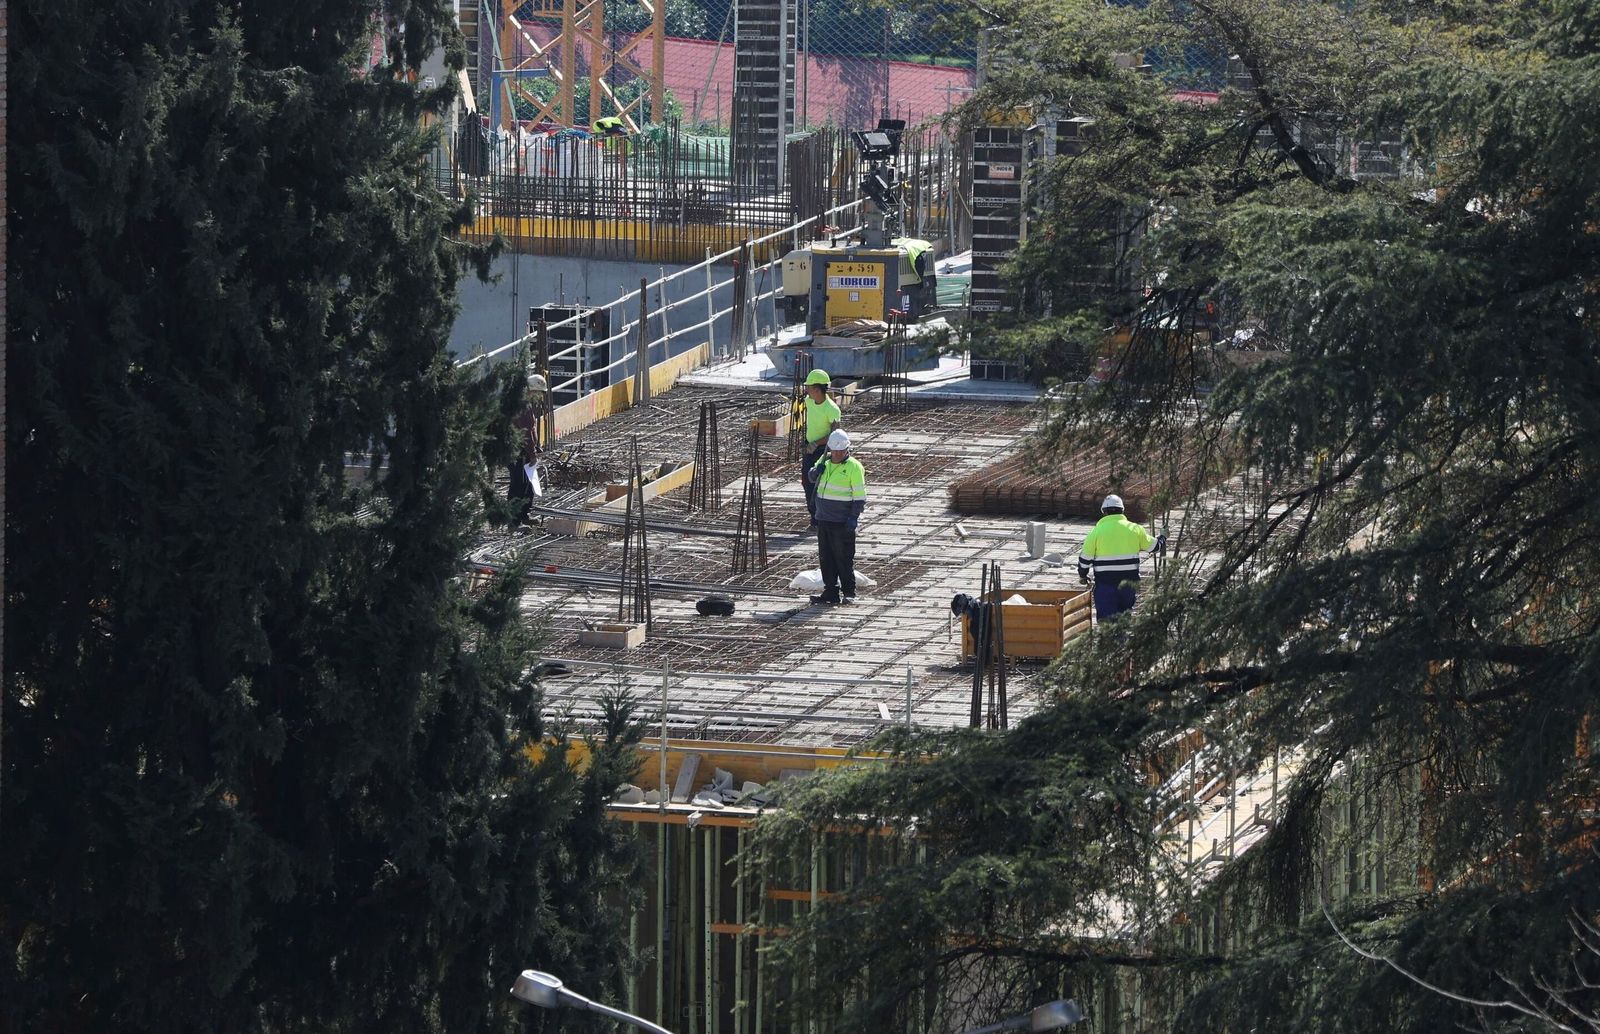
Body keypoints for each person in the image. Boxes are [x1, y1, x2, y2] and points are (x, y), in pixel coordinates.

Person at [1077, 494, 1164, 621]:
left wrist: (1083, 575)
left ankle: (1110, 641)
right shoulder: (1135, 529)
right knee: (1124, 620)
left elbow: (1084, 561)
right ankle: (1122, 640)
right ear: (1122, 510)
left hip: (1106, 586)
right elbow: (1155, 547)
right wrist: (1163, 537)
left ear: (1104, 512)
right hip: (1128, 586)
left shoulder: (1096, 532)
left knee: (1107, 624)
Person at [806, 429, 867, 605]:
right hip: (824, 519)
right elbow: (810, 477)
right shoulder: (824, 461)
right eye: (835, 451)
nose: (838, 454)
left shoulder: (854, 467)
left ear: (848, 449)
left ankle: (849, 592)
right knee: (826, 558)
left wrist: (853, 517)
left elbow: (859, 496)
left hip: (842, 522)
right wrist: (817, 470)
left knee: (844, 558)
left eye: (842, 451)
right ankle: (830, 592)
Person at [798, 368, 841, 525]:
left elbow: (835, 435)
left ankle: (819, 518)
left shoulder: (831, 409)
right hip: (810, 448)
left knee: (819, 483)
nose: (807, 390)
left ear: (816, 389)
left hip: (823, 451)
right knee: (807, 481)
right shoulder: (810, 401)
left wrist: (816, 443)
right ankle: (814, 516)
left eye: (809, 387)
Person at [508, 372, 547, 524]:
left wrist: (536, 447)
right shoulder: (521, 405)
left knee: (527, 485)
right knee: (518, 485)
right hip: (517, 452)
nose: (539, 396)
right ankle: (514, 521)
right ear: (532, 390)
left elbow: (531, 430)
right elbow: (525, 432)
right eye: (539, 393)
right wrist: (532, 454)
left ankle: (524, 516)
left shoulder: (525, 403)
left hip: (523, 451)